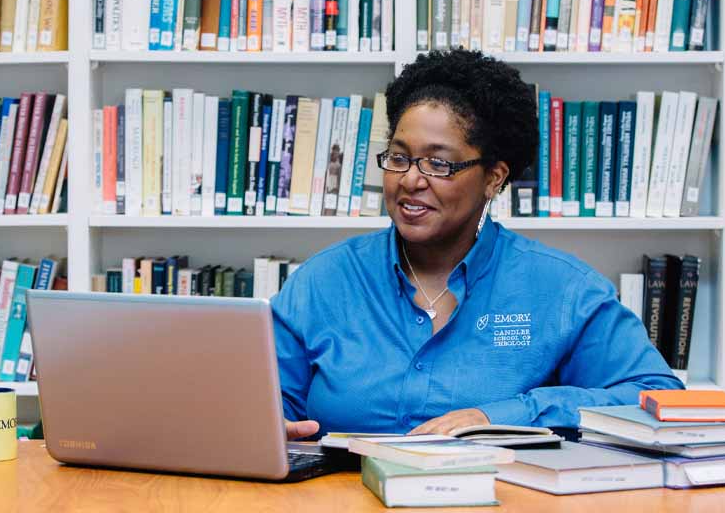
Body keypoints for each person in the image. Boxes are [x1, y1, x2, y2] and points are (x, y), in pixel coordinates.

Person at [274, 49, 683, 441]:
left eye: (439, 164)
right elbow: (268, 403)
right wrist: (272, 425)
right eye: (399, 158)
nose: (411, 180)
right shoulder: (323, 281)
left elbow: (656, 398)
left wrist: (502, 416)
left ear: (493, 178)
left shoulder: (562, 289)